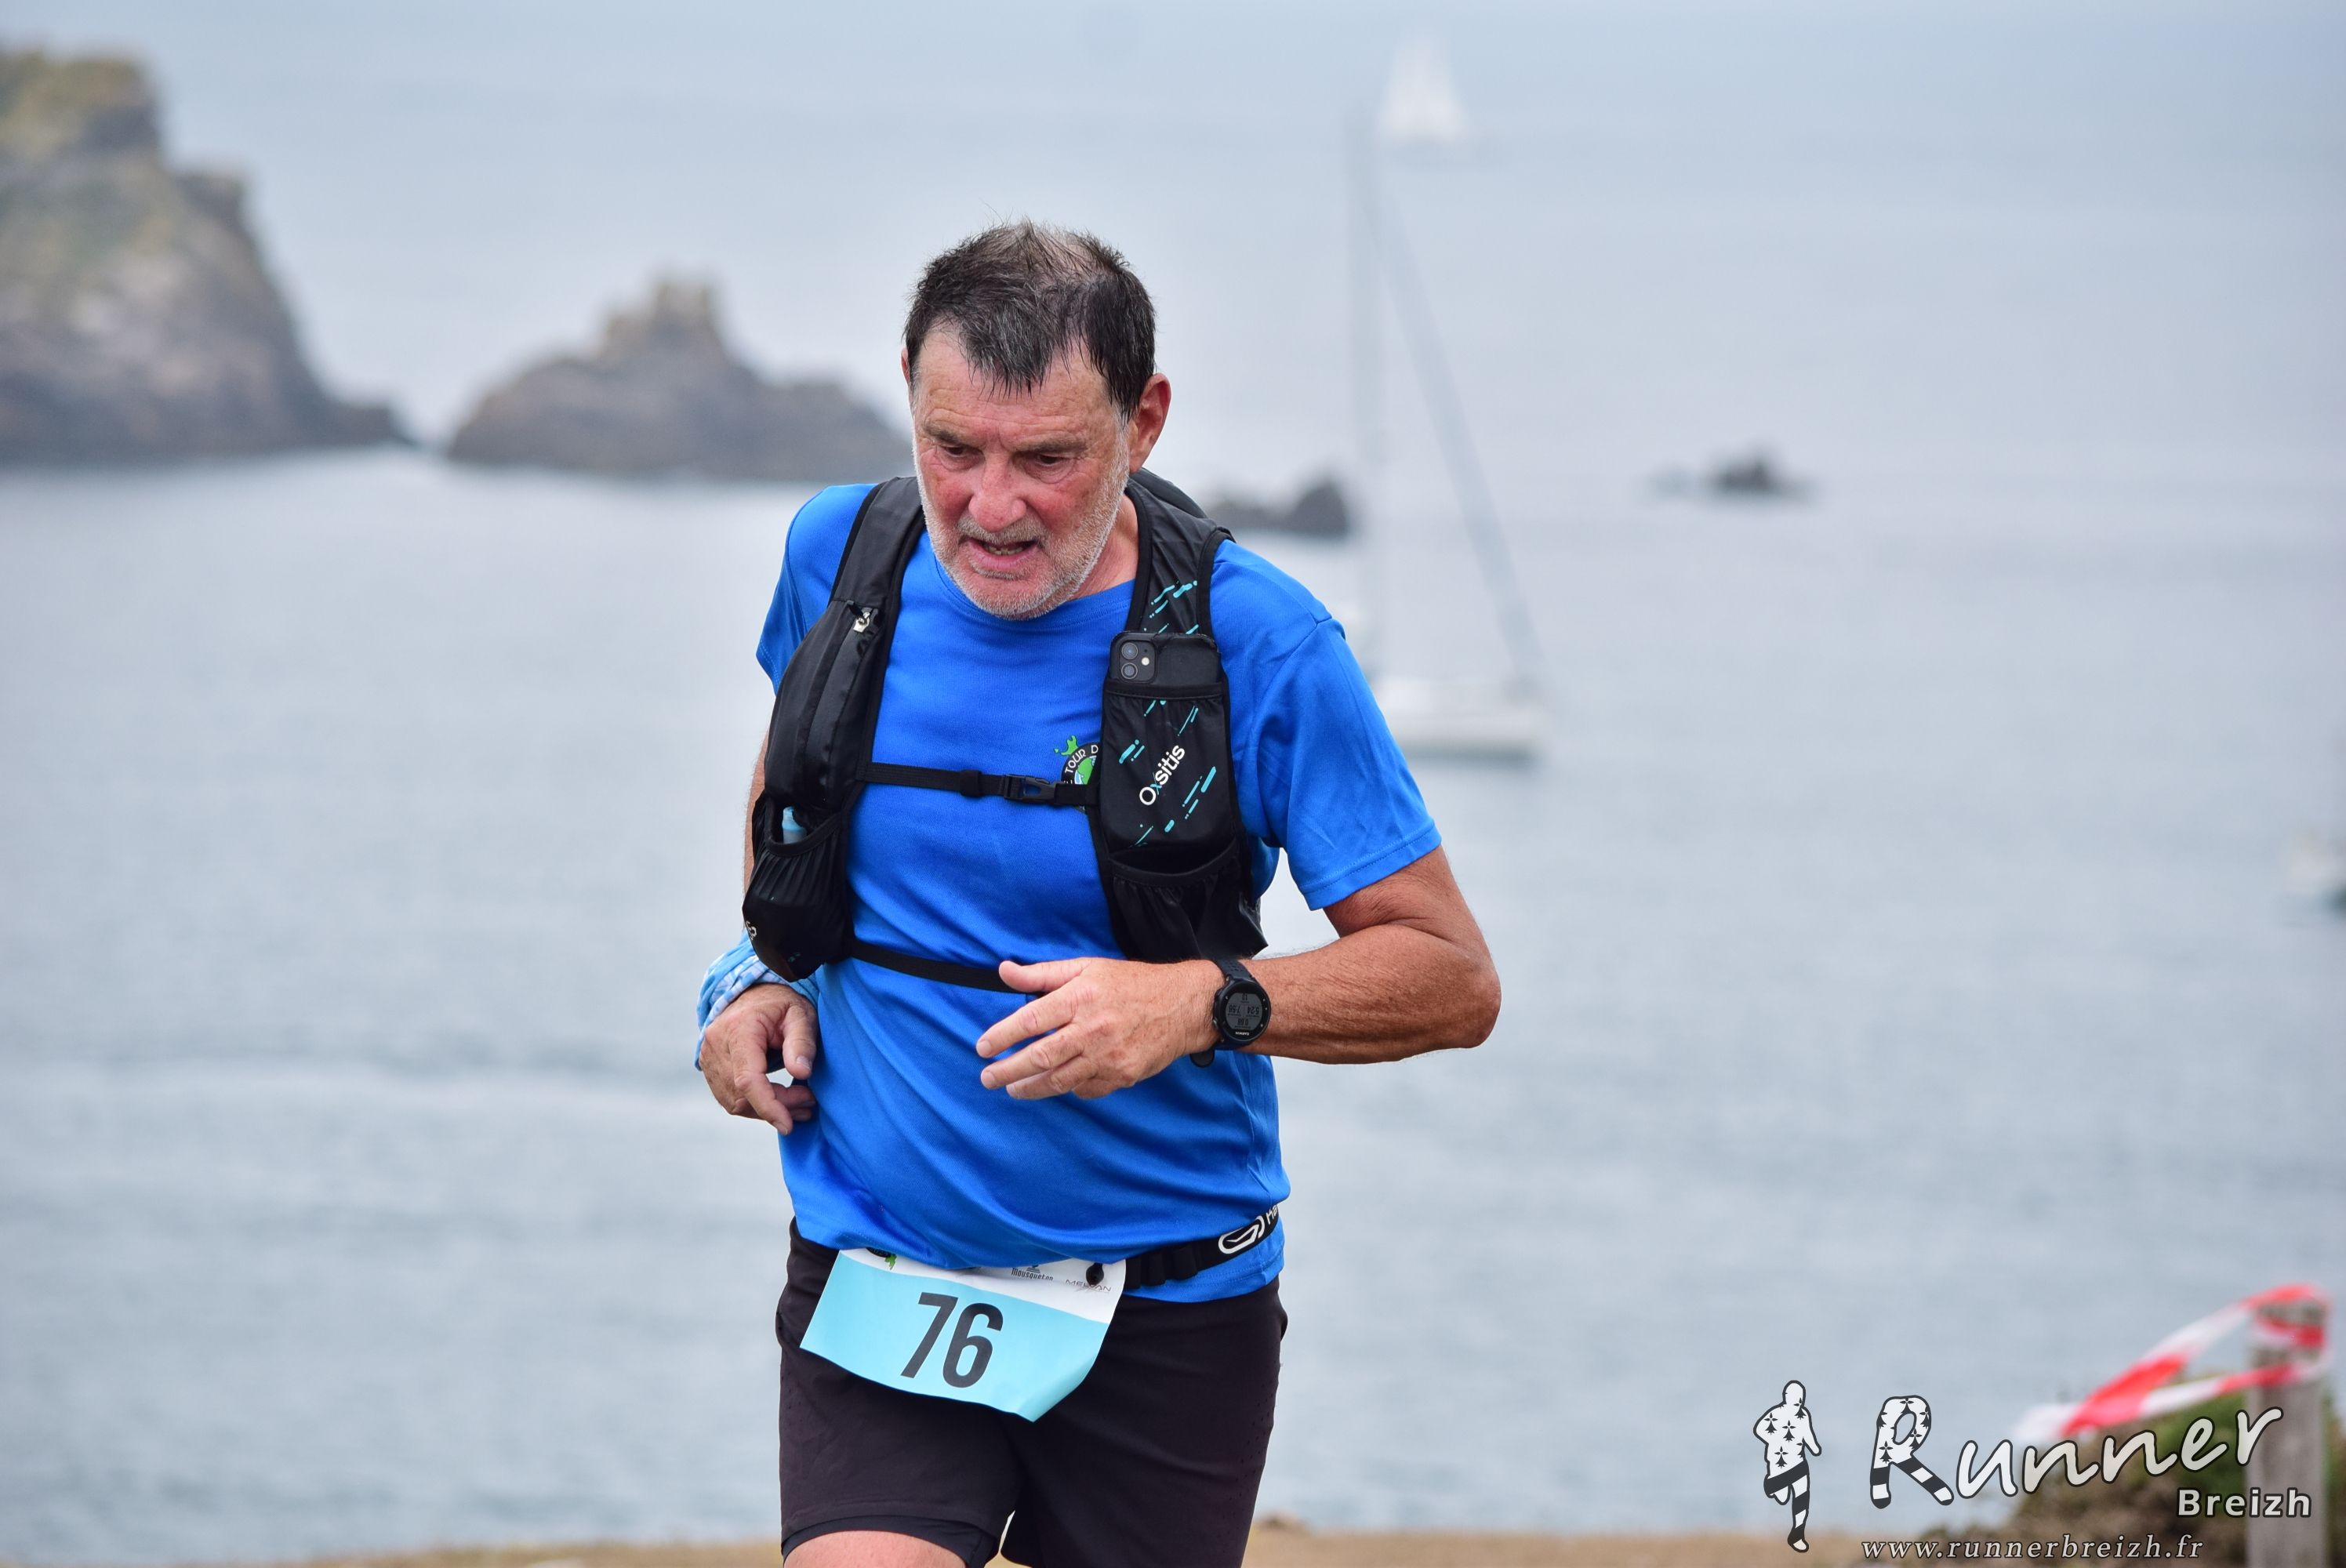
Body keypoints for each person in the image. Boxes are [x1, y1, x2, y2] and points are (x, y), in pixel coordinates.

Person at [695, 221, 1500, 1568]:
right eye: (954, 448)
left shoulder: (1262, 643)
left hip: (1166, 1307)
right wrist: (758, 976)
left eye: (1048, 460)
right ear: (909, 398)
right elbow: (791, 792)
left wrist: (1197, 1005)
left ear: (1145, 421)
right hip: (883, 1270)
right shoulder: (840, 557)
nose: (991, 506)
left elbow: (1452, 977)